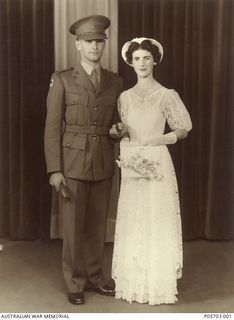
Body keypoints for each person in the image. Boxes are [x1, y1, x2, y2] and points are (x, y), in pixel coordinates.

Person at [44, 15, 124, 305]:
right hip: (73, 164)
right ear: (78, 45)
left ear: (104, 44)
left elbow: (115, 122)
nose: (94, 47)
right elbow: (52, 128)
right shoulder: (63, 79)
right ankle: (75, 282)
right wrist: (55, 169)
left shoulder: (115, 81)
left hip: (102, 161)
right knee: (73, 226)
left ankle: (95, 276)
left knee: (97, 223)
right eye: (89, 42)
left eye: (99, 42)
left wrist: (117, 131)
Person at [111, 37, 192, 305]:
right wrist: (121, 137)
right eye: (137, 59)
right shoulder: (124, 98)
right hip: (134, 163)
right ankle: (134, 283)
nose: (142, 63)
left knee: (156, 217)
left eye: (146, 58)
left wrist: (161, 140)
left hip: (158, 162)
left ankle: (157, 284)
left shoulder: (167, 95)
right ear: (130, 63)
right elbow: (124, 130)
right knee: (135, 217)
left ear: (155, 60)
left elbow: (182, 129)